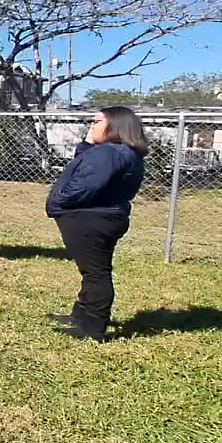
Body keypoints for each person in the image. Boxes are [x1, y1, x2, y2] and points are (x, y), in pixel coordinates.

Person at [44, 106, 148, 342]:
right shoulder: (120, 152)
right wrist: (89, 143)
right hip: (104, 216)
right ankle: (81, 314)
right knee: (91, 271)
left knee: (95, 273)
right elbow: (85, 165)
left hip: (91, 218)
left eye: (97, 121)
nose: (92, 125)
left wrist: (58, 201)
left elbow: (85, 185)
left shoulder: (110, 153)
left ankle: (92, 326)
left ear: (115, 126)